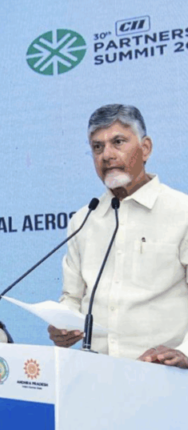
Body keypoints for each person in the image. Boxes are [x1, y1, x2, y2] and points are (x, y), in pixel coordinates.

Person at [50, 104, 188, 367]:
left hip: (166, 374)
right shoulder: (83, 220)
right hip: (96, 373)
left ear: (145, 148)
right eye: (97, 147)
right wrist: (63, 326)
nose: (107, 155)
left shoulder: (182, 212)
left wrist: (186, 352)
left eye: (118, 142)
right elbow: (72, 298)